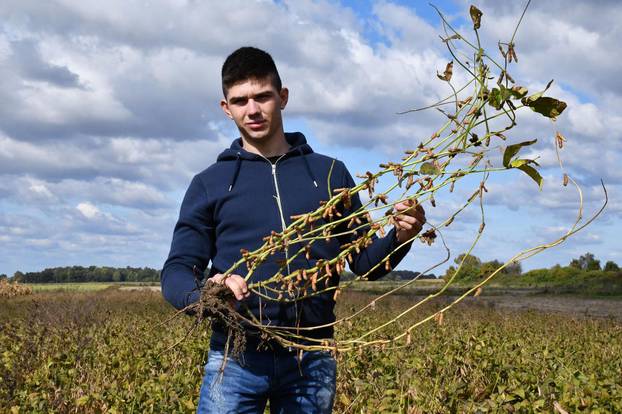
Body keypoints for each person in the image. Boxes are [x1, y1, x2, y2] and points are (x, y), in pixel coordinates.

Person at [161, 46, 426, 414]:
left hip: (312, 357)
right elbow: (176, 272)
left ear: (282, 97)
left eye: (262, 96)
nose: (252, 110)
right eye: (240, 101)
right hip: (235, 360)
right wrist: (206, 293)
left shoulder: (330, 174)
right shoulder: (209, 183)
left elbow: (367, 263)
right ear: (226, 108)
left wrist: (401, 235)